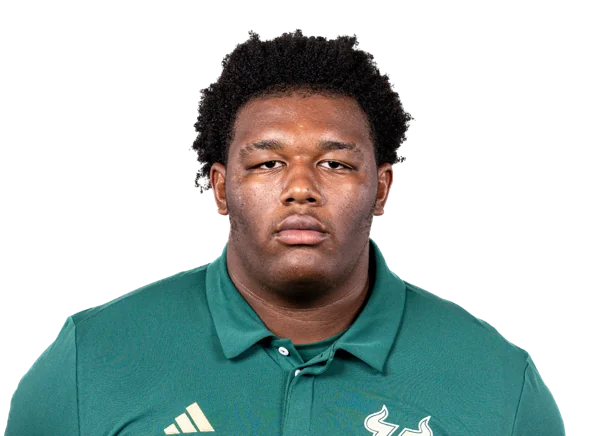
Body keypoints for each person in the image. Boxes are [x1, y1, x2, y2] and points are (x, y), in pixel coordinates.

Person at [6, 31, 564, 435]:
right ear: (221, 188)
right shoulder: (92, 360)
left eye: (335, 164)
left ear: (381, 188)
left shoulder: (498, 385)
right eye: (268, 164)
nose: (301, 189)